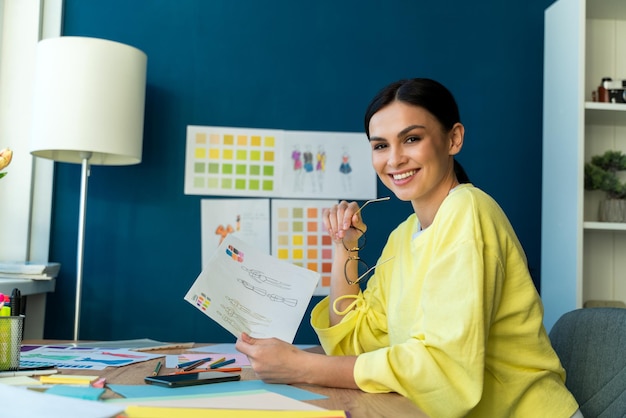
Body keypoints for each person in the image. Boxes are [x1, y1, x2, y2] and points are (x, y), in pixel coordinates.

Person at [236, 78, 581, 417]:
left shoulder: (468, 211)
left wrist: (303, 367)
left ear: (453, 139)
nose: (395, 159)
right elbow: (354, 344)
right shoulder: (403, 236)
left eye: (411, 139)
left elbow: (442, 368)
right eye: (380, 145)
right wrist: (345, 248)